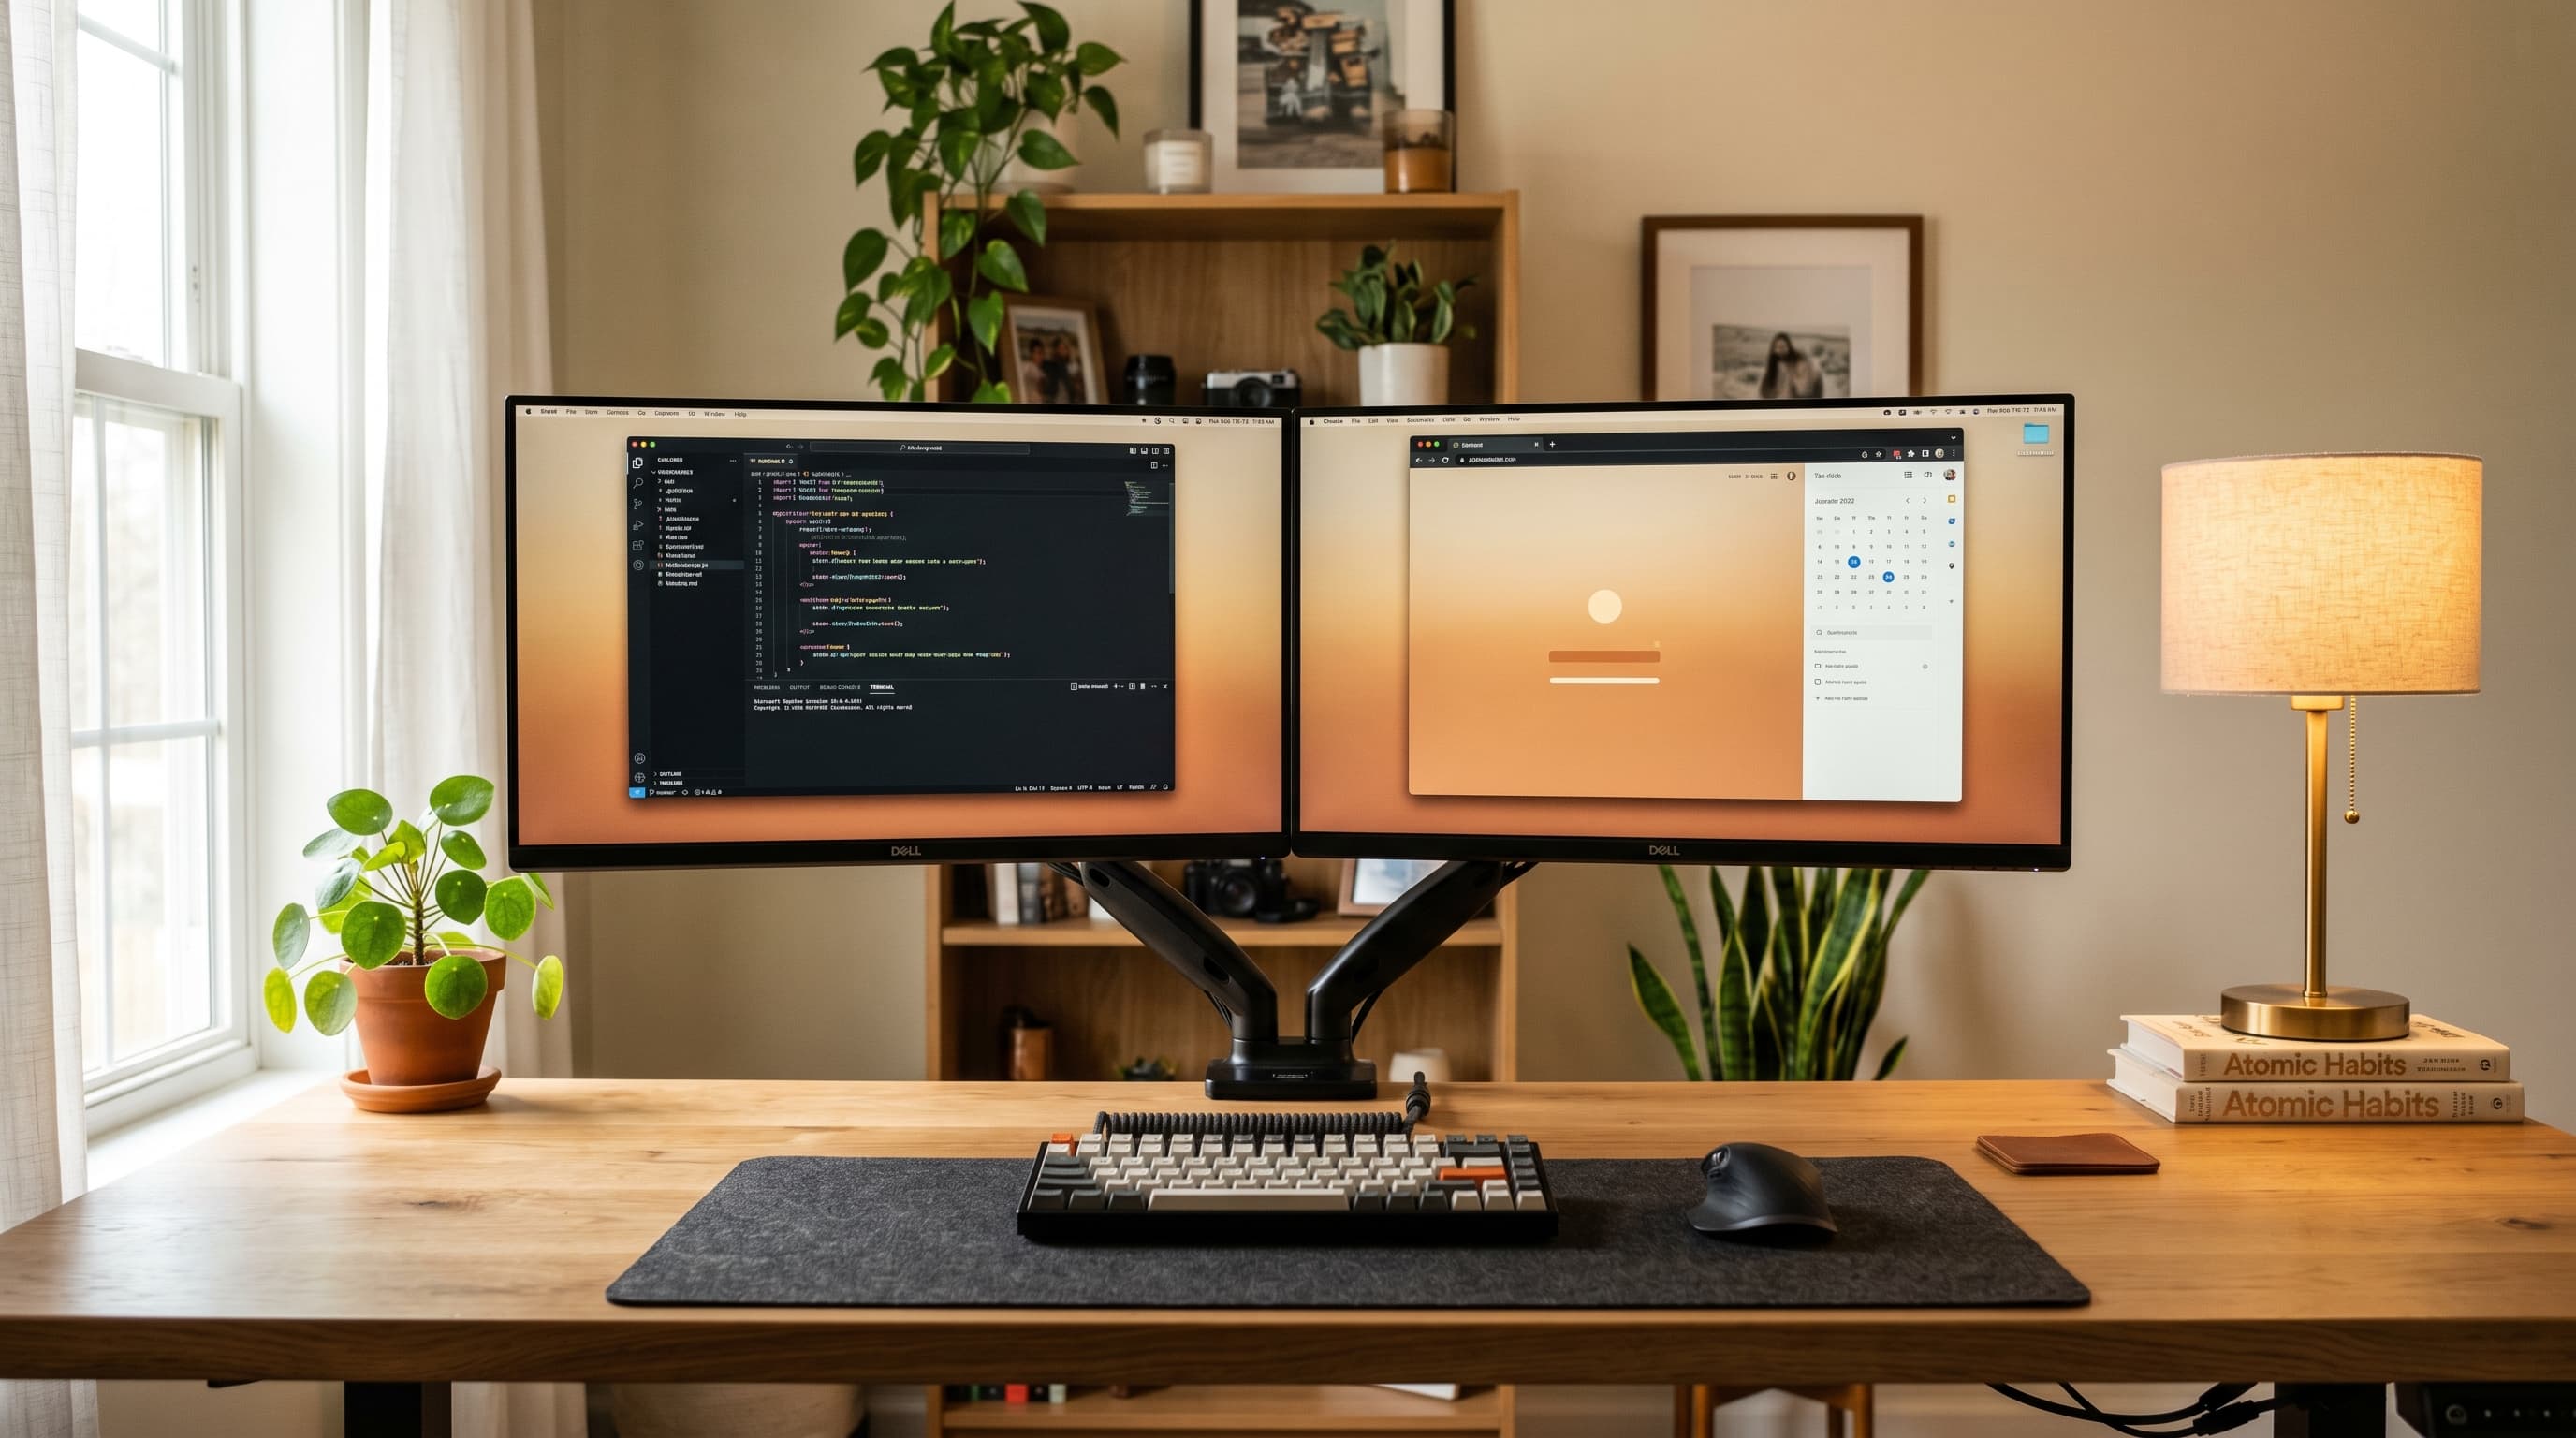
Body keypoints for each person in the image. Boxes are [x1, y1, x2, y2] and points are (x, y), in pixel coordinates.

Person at [1758, 331, 1823, 400]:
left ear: (1789, 347)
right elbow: (1766, 392)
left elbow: (1804, 387)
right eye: (1777, 347)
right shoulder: (1775, 363)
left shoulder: (1799, 360)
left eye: (1783, 346)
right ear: (1773, 349)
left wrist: (1792, 376)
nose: (1780, 350)